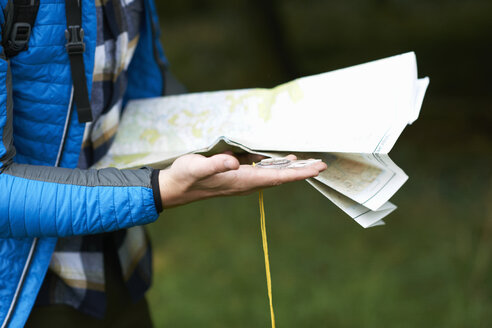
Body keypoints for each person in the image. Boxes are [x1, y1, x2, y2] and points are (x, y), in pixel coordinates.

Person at [0, 0, 326, 326]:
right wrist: (159, 189)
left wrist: (239, 137)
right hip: (19, 287)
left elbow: (145, 94)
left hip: (117, 258)